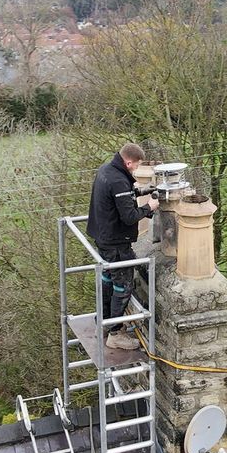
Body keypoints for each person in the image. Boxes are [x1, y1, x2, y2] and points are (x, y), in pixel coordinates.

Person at [87, 143, 158, 350]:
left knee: (107, 279)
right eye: (135, 166)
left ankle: (103, 321)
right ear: (128, 162)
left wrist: (140, 191)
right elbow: (128, 217)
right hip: (116, 243)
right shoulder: (118, 179)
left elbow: (119, 197)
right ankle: (115, 333)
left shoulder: (106, 170)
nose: (136, 169)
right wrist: (150, 206)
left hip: (103, 238)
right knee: (123, 286)